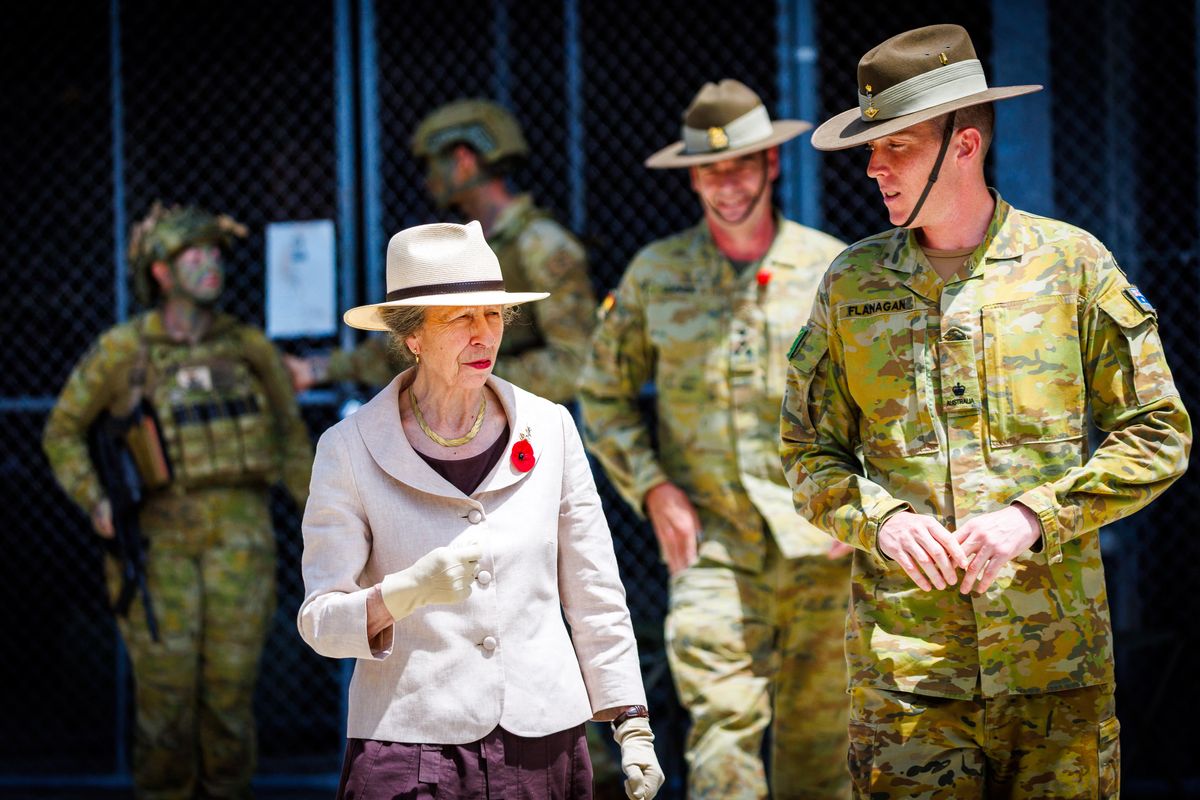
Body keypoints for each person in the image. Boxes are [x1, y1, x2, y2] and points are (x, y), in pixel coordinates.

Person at [780, 24, 1191, 799]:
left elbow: (1160, 433)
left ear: (963, 146)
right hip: (908, 678)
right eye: (872, 149)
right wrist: (882, 520)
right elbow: (806, 451)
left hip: (1055, 676)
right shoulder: (851, 284)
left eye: (895, 145)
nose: (872, 168)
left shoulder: (1070, 266)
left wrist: (1033, 517)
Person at [296, 220, 663, 800]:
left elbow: (594, 590)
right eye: (460, 318)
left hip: (542, 743)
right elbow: (318, 621)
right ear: (411, 335)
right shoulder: (348, 448)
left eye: (493, 315)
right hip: (406, 749)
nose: (484, 335)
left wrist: (631, 720)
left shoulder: (550, 427)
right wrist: (402, 593)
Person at [579, 79, 852, 799]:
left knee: (823, 754)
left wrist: (868, 507)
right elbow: (601, 396)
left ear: (772, 165)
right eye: (709, 170)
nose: (725, 185)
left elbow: (892, 403)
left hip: (822, 547)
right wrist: (653, 488)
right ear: (692, 175)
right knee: (722, 741)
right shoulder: (656, 275)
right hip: (713, 550)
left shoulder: (834, 270)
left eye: (740, 166)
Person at [43, 202, 314, 799]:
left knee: (230, 702)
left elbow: (294, 449)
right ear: (160, 272)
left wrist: (334, 528)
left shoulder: (249, 349)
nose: (211, 263)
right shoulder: (124, 351)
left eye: (216, 252)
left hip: (241, 543)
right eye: (194, 253)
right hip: (159, 542)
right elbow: (61, 431)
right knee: (165, 706)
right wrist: (95, 500)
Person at [287, 99, 595, 405]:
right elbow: (405, 348)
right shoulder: (460, 247)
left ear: (463, 161)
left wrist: (467, 373)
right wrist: (317, 369)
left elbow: (575, 364)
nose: (427, 180)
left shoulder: (542, 244)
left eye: (430, 164)